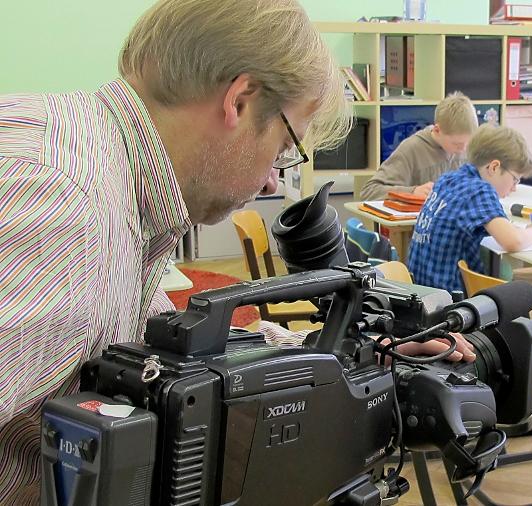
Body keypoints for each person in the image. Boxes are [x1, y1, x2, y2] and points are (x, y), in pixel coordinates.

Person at [0, 1, 470, 502]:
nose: (272, 177)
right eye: (284, 148)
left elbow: (152, 352)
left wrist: (345, 358)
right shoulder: (61, 205)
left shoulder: (99, 172)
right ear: (240, 101)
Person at [407, 124, 532, 293]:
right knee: (522, 290)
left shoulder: (448, 179)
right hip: (449, 304)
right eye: (515, 179)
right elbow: (514, 241)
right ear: (494, 167)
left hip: (420, 294)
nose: (514, 188)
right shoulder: (479, 190)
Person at [360, 92, 478, 201]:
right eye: (457, 144)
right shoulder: (411, 149)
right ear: (437, 130)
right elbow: (369, 191)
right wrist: (412, 191)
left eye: (468, 143)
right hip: (419, 221)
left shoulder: (471, 148)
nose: (463, 150)